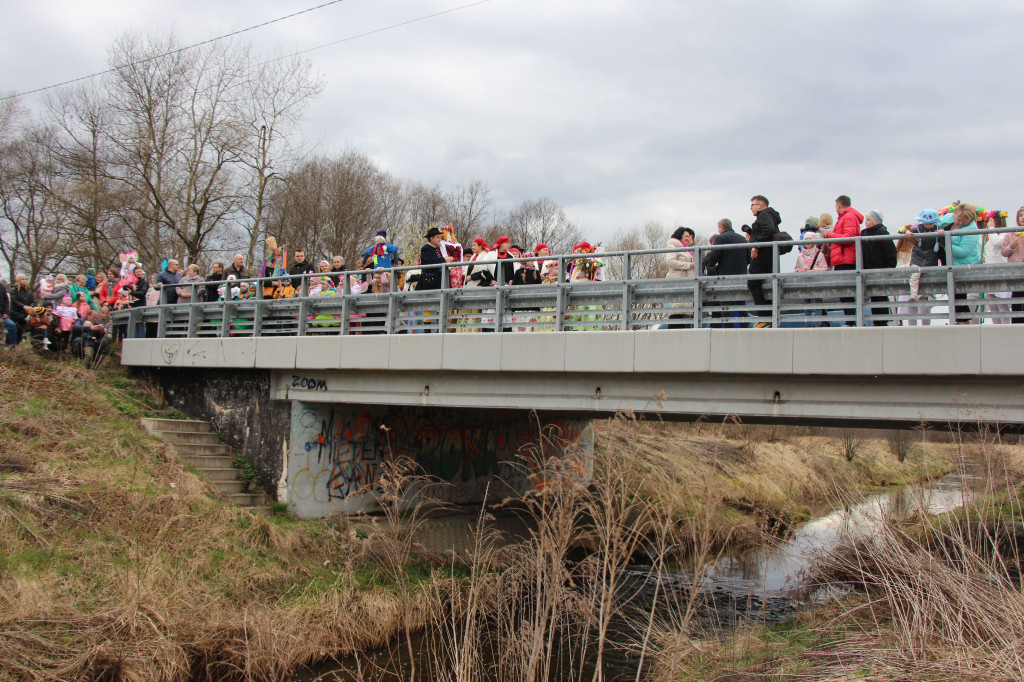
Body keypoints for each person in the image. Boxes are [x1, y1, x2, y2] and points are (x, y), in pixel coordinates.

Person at [703, 218, 749, 327]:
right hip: (741, 276)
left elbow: (714, 256)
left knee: (725, 304)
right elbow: (748, 258)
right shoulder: (742, 238)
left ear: (721, 227)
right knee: (741, 304)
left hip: (725, 276)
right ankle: (745, 327)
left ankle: (728, 328)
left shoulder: (720, 238)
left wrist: (711, 263)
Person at [746, 195, 782, 328]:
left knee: (753, 282)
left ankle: (765, 317)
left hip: (762, 255)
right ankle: (769, 317)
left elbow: (768, 230)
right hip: (769, 255)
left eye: (752, 205)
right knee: (768, 284)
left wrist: (756, 245)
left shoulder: (764, 215)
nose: (751, 208)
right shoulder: (771, 215)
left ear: (760, 205)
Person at [829, 195, 863, 326]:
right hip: (843, 259)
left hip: (846, 260)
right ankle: (851, 320)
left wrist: (829, 235)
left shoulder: (848, 217)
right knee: (845, 292)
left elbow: (849, 238)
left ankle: (851, 321)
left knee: (847, 292)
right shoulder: (846, 217)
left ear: (838, 204)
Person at [860, 210, 898, 326]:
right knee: (873, 295)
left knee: (881, 294)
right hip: (869, 269)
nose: (866, 222)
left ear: (876, 221)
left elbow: (891, 251)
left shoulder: (882, 232)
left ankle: (882, 320)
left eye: (869, 219)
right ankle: (877, 320)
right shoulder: (864, 233)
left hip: (880, 268)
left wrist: (890, 265)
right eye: (866, 219)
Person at [947, 203, 981, 324]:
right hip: (955, 266)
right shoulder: (952, 221)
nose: (960, 222)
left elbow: (963, 252)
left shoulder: (972, 231)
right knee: (956, 295)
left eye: (964, 220)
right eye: (958, 219)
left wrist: (946, 244)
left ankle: (963, 321)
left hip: (965, 266)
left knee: (960, 295)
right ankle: (960, 321)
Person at [981, 212, 1011, 324]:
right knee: (992, 304)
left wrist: (991, 228)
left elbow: (996, 243)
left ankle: (1005, 328)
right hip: (989, 274)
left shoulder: (1005, 235)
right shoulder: (991, 237)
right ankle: (996, 327)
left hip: (1001, 273)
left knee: (1002, 304)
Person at [665, 227, 695, 328]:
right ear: (680, 235)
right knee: (676, 314)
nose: (688, 238)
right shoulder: (673, 245)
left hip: (686, 284)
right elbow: (669, 262)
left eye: (689, 236)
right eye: (686, 236)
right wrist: (689, 265)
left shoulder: (686, 248)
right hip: (677, 283)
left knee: (683, 315)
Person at [1002, 206, 1024, 324]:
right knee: (1016, 296)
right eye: (1020, 215)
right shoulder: (1011, 234)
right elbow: (1003, 252)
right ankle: (1017, 323)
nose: (1023, 218)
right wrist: (1011, 246)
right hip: (1016, 271)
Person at [417, 227, 448, 291]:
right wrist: (444, 259)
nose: (440, 239)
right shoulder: (426, 249)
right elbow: (430, 262)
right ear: (431, 238)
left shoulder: (436, 249)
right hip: (430, 282)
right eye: (438, 237)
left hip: (437, 282)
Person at [9, 273, 35, 346]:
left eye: (26, 279)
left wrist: (30, 307)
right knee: (14, 330)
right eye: (23, 279)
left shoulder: (29, 291)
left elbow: (32, 301)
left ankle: (17, 344)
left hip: (25, 314)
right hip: (16, 313)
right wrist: (23, 306)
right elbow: (14, 300)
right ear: (18, 280)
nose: (25, 281)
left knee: (20, 331)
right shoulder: (14, 289)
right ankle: (11, 345)